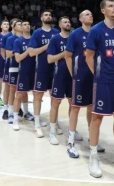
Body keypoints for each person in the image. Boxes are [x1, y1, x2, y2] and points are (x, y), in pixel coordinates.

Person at [85, 0, 114, 178]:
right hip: (103, 81)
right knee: (97, 118)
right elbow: (89, 56)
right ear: (103, 10)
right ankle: (93, 156)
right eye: (110, 6)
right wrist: (97, 75)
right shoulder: (96, 30)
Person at [65, 10, 104, 158]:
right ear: (81, 19)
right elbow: (68, 56)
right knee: (75, 108)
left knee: (92, 109)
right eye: (87, 14)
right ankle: (70, 143)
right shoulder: (75, 34)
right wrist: (73, 74)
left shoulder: (97, 33)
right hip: (80, 76)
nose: (90, 15)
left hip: (95, 77)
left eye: (91, 14)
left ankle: (91, 138)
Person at [28, 10, 59, 137]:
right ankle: (36, 124)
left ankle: (54, 123)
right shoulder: (37, 33)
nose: (48, 16)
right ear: (41, 18)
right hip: (41, 68)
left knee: (55, 98)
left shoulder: (56, 32)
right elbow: (31, 52)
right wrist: (47, 46)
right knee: (38, 97)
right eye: (46, 15)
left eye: (50, 15)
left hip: (55, 69)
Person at [46, 16, 73, 145]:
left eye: (68, 22)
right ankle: (52, 131)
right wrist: (65, 53)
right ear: (59, 25)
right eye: (65, 22)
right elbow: (50, 59)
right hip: (59, 75)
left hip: (73, 75)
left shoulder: (75, 37)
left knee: (73, 104)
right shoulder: (55, 39)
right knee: (55, 103)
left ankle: (72, 130)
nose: (68, 23)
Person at [11, 20, 35, 130]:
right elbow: (18, 58)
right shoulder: (18, 41)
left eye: (28, 24)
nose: (27, 26)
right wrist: (28, 51)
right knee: (19, 95)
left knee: (36, 95)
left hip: (35, 71)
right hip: (24, 71)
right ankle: (15, 119)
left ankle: (29, 114)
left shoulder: (35, 39)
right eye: (24, 24)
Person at [1, 18, 19, 120]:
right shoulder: (7, 37)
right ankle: (6, 108)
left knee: (18, 87)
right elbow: (3, 51)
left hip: (19, 64)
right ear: (13, 26)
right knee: (8, 87)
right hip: (9, 63)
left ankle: (17, 107)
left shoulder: (21, 36)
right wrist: (6, 62)